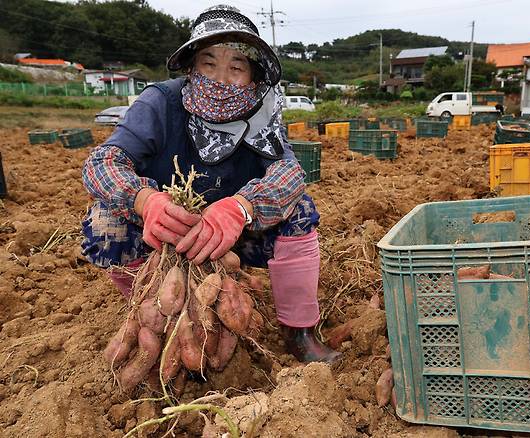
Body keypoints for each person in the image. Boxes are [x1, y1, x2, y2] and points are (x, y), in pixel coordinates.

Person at [80, 4, 340, 364]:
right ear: (191, 67)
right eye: (209, 63)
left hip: (236, 234)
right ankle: (157, 311)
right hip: (165, 235)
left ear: (253, 76)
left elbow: (290, 174)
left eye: (236, 67)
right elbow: (102, 162)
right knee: (104, 223)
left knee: (301, 211)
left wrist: (242, 208)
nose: (221, 78)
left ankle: (300, 332)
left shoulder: (262, 113)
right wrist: (146, 202)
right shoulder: (161, 102)